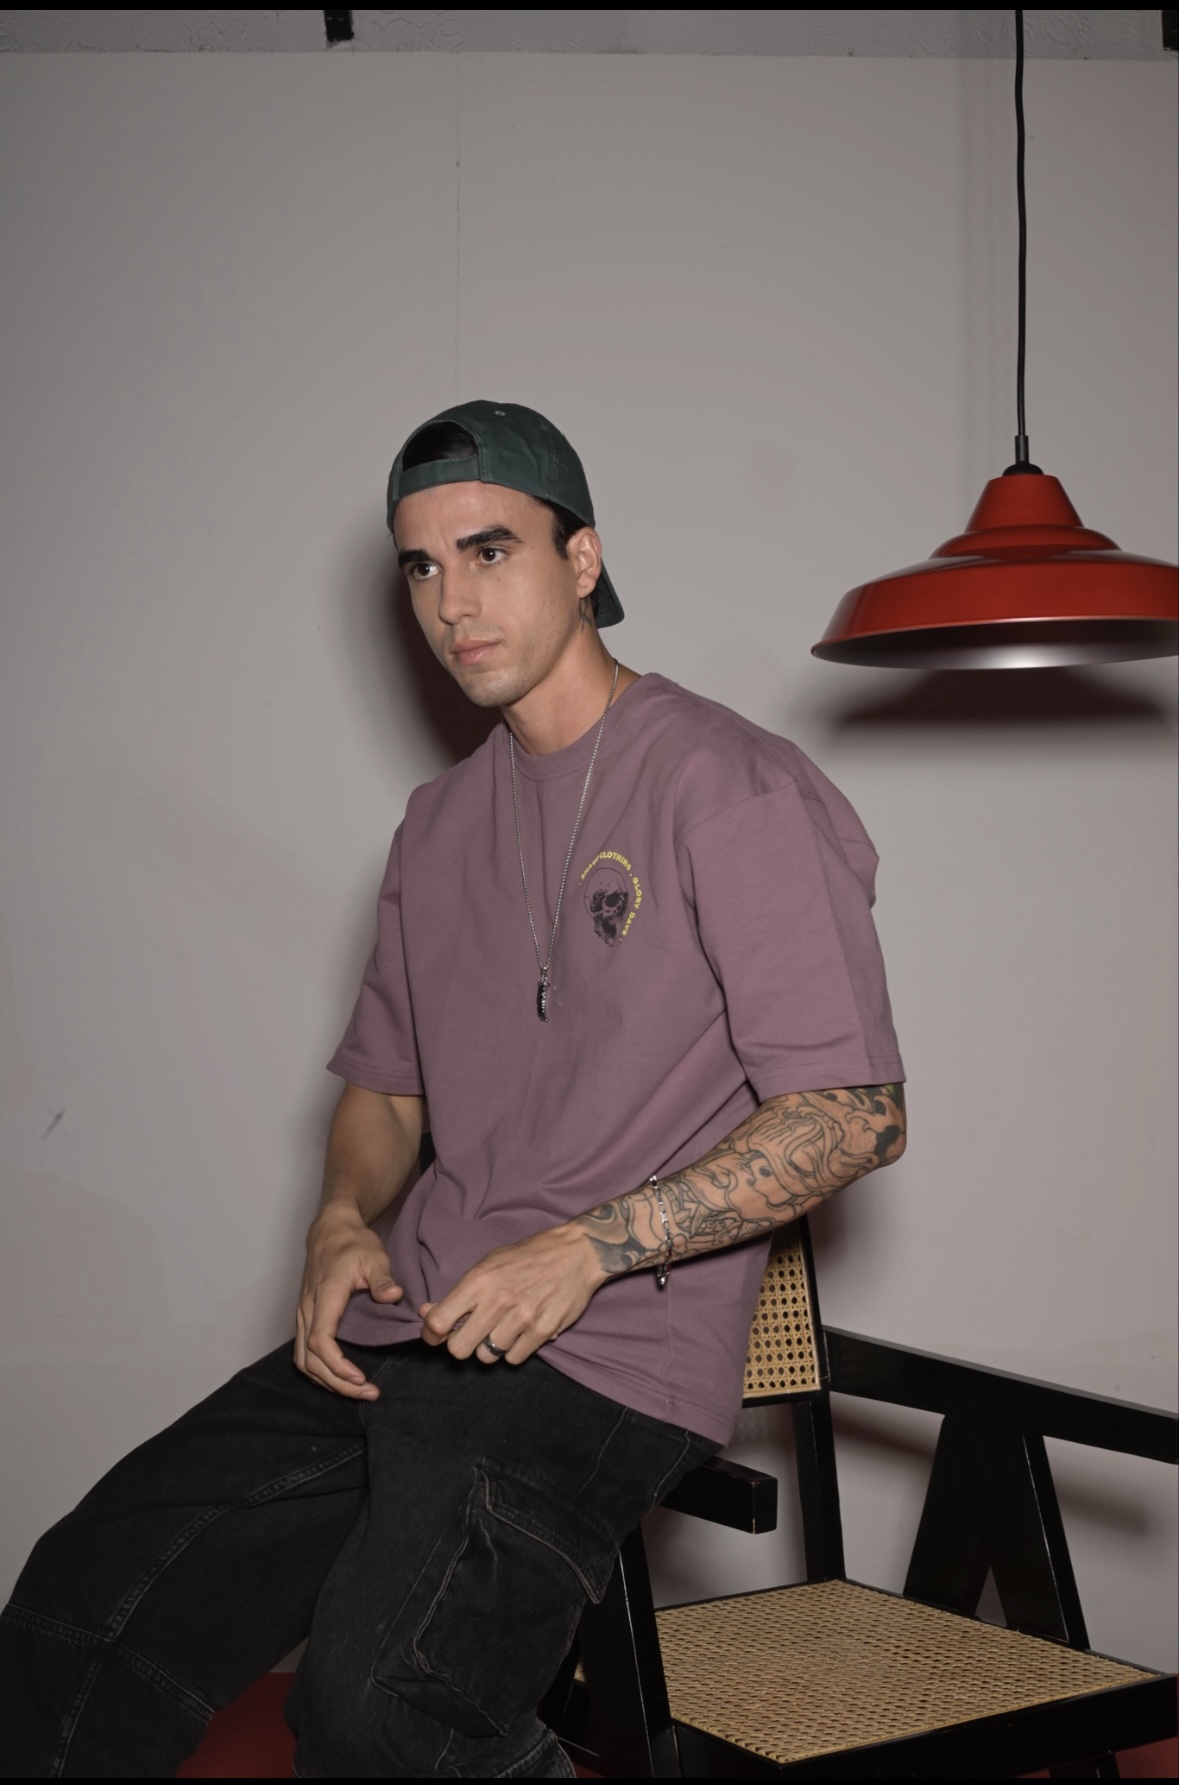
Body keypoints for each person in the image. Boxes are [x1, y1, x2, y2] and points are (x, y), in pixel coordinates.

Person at [0, 401, 906, 1780]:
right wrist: (338, 1220)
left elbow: (856, 1111)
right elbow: (386, 1091)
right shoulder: (434, 826)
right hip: (410, 1321)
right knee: (81, 1602)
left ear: (583, 557)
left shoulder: (729, 786)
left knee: (380, 1712)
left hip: (603, 1354)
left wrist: (586, 1246)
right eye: (419, 566)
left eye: (490, 551)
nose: (451, 602)